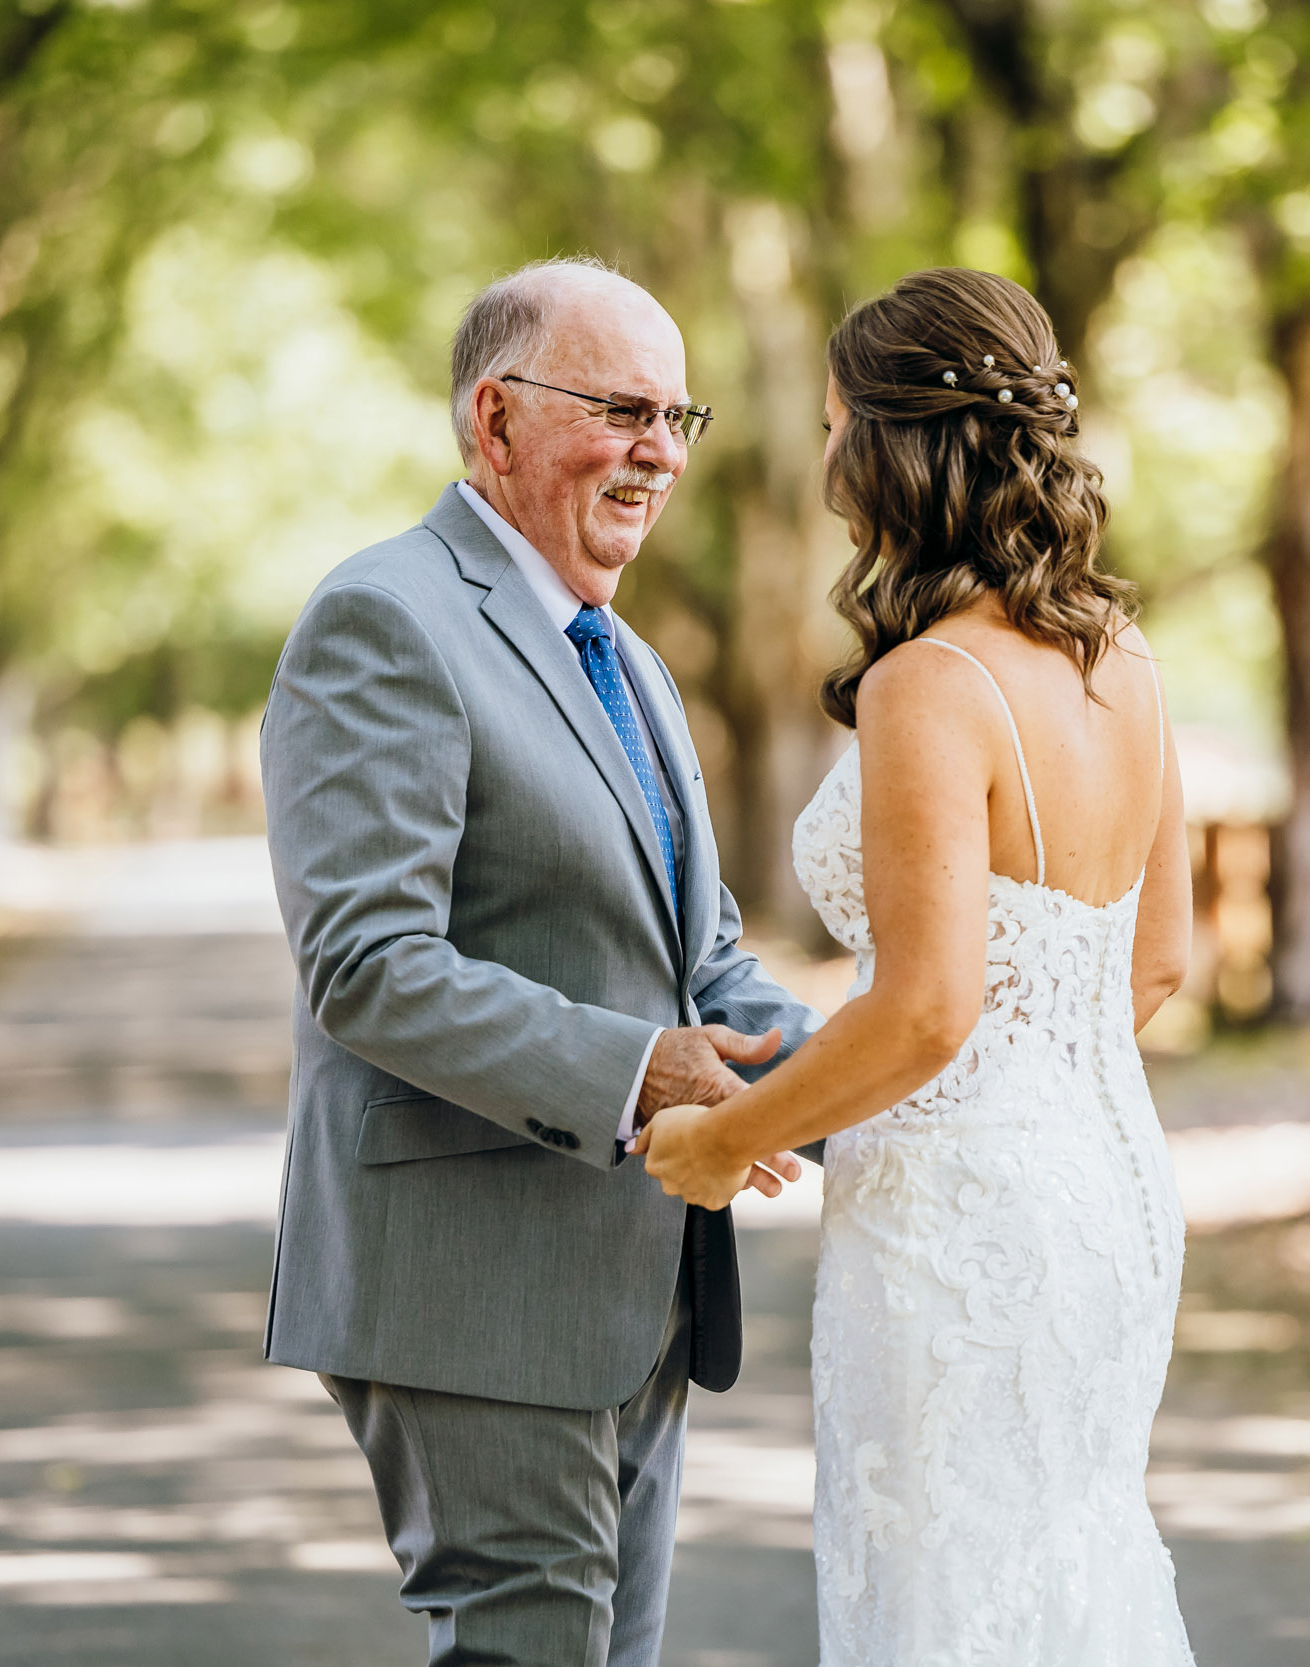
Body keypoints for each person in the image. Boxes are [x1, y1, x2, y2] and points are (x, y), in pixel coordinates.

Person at [259, 255, 820, 1667]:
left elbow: (704, 963)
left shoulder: (630, 661)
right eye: (622, 408)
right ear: (493, 421)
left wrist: (884, 1073)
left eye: (679, 419)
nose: (657, 452)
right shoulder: (384, 617)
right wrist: (638, 1072)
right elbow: (368, 962)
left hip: (641, 1292)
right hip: (474, 1292)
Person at [635, 267, 1198, 1665]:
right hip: (1109, 1189)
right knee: (1069, 1567)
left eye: (834, 425)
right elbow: (1160, 961)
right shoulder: (1121, 660)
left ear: (892, 440)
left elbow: (932, 1007)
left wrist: (726, 1143)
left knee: (944, 1600)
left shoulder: (929, 685)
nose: (825, 466)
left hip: (960, 1233)